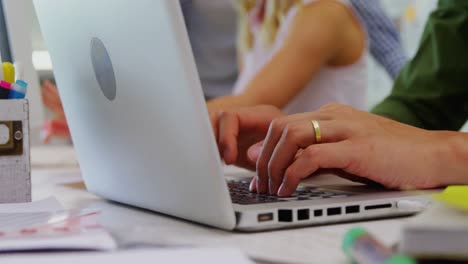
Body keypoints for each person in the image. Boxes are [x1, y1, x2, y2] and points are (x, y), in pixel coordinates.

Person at [210, 0, 468, 197]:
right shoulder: (256, 23)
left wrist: (443, 153)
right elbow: (424, 103)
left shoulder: (323, 13)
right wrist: (328, 145)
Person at [207, 0, 368, 114]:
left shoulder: (324, 13)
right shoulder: (258, 13)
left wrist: (185, 116)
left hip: (318, 158)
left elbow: (252, 105)